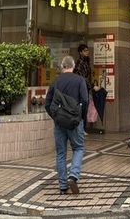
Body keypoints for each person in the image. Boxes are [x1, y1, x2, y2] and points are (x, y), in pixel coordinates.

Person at [45, 55, 88, 195]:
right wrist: (81, 118)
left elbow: (47, 103)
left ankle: (63, 186)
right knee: (79, 148)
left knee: (61, 153)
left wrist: (56, 117)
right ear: (74, 66)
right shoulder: (80, 80)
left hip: (59, 123)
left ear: (62, 66)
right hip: (75, 122)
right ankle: (73, 176)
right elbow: (85, 100)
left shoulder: (56, 81)